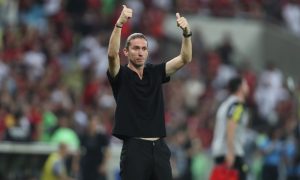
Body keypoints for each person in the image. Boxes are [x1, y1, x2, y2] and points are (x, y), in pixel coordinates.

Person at [106, 4, 192, 180]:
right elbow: (112, 55)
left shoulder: (155, 72)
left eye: (144, 49)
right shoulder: (121, 75)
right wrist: (120, 24)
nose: (140, 52)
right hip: (134, 149)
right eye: (136, 48)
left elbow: (185, 58)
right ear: (126, 51)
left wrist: (186, 33)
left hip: (159, 148)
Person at [211, 76, 249, 180]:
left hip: (220, 151)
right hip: (231, 153)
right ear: (240, 87)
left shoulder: (225, 104)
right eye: (245, 84)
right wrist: (230, 152)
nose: (248, 87)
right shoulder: (237, 105)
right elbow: (231, 125)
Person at [80, 114, 110, 180]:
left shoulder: (101, 136)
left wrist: (104, 165)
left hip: (98, 164)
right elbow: (80, 151)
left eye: (95, 121)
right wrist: (76, 163)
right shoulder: (84, 136)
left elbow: (107, 151)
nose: (93, 123)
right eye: (91, 121)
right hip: (87, 164)